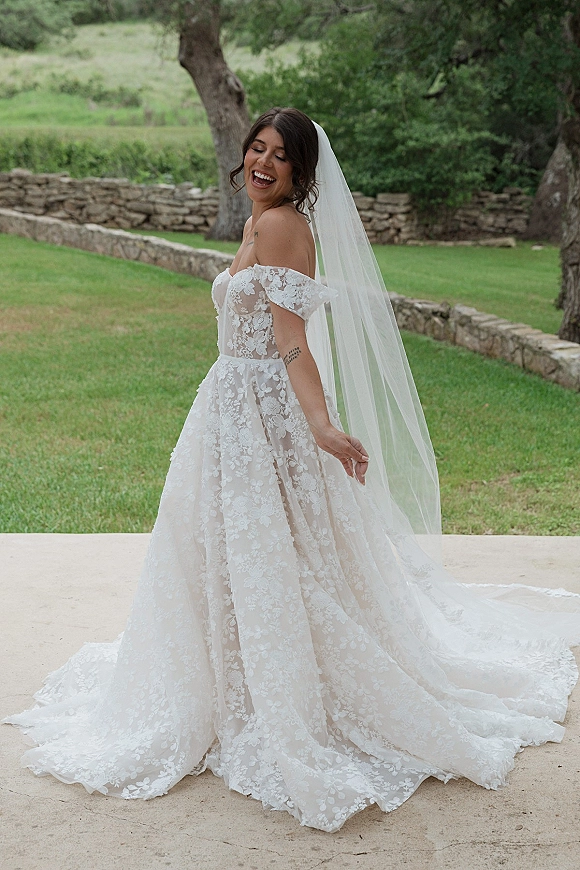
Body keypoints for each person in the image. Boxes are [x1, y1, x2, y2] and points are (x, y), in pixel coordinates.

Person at [5, 107, 580, 833]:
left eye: (280, 156)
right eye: (257, 147)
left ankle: (277, 690)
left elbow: (292, 341)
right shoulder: (257, 219)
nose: (263, 162)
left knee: (273, 553)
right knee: (237, 551)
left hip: (261, 410)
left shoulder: (281, 227)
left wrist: (320, 426)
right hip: (229, 405)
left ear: (303, 173)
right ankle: (229, 670)